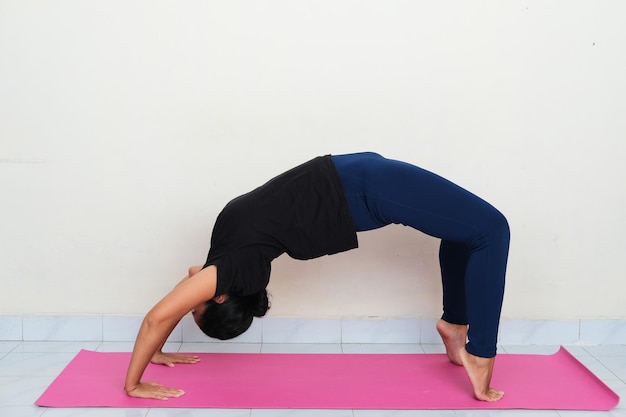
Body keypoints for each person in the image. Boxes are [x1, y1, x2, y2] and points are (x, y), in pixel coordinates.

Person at [124, 152, 510, 402]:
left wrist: (154, 352)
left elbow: (168, 307)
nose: (187, 297)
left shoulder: (226, 257)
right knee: (490, 230)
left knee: (468, 230)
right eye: (195, 307)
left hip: (359, 182)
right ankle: (480, 353)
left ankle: (455, 325)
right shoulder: (236, 268)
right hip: (365, 187)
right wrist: (134, 384)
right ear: (221, 296)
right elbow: (159, 315)